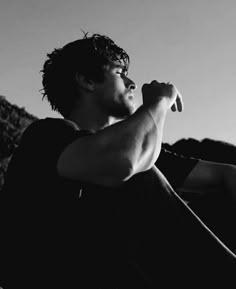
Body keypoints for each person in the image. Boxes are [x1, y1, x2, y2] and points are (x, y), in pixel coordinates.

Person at [1, 33, 236, 288]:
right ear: (87, 80)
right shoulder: (46, 137)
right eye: (120, 72)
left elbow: (227, 175)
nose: (132, 82)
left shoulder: (137, 153)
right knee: (140, 172)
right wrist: (158, 103)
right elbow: (122, 162)